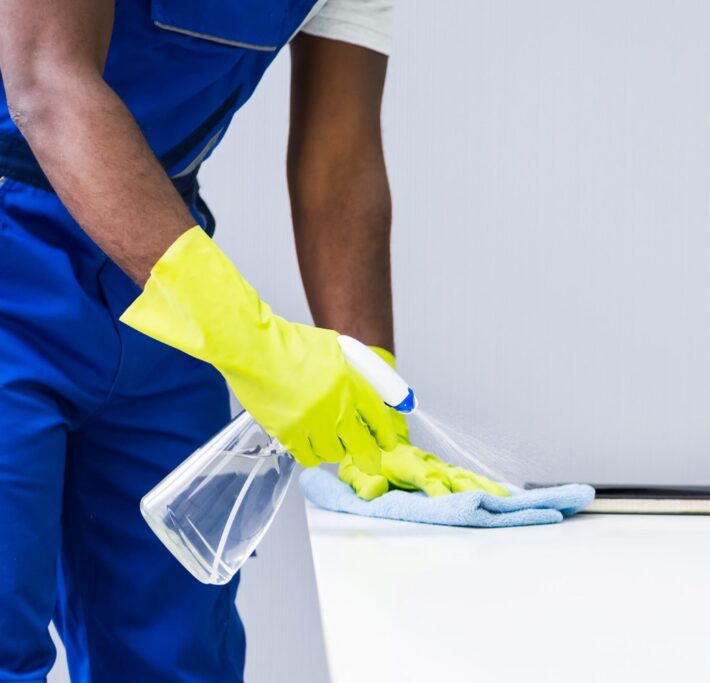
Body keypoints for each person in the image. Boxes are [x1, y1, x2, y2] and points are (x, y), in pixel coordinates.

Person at [0, 0, 504, 679]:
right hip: (38, 251)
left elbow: (340, 151)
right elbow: (46, 79)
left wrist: (370, 389)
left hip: (154, 264)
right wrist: (252, 340)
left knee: (176, 651)